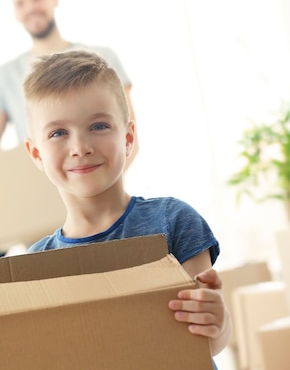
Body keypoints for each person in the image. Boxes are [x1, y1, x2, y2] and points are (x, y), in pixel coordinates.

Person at [22, 50, 230, 365]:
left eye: (98, 126)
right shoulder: (37, 264)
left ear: (128, 136)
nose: (80, 147)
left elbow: (208, 342)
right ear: (36, 154)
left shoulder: (172, 221)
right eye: (58, 133)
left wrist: (219, 319)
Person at [0, 0, 138, 172]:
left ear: (53, 1)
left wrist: (101, 192)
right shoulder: (5, 75)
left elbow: (130, 136)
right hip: (40, 195)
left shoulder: (103, 59)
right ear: (16, 14)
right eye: (20, 3)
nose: (30, 7)